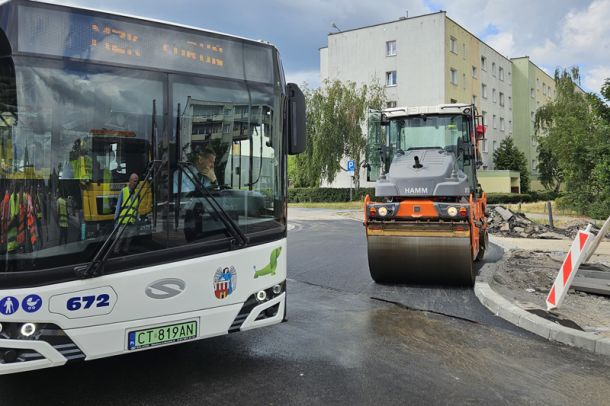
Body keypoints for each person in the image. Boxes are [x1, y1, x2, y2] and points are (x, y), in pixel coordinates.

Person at [113, 173, 140, 254]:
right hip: (123, 221)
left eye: (137, 181)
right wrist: (116, 219)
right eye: (135, 181)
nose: (136, 183)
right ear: (130, 181)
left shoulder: (137, 193)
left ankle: (125, 251)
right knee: (119, 238)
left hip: (132, 220)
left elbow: (136, 207)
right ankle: (115, 252)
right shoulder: (123, 191)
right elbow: (118, 206)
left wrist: (137, 218)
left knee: (129, 238)